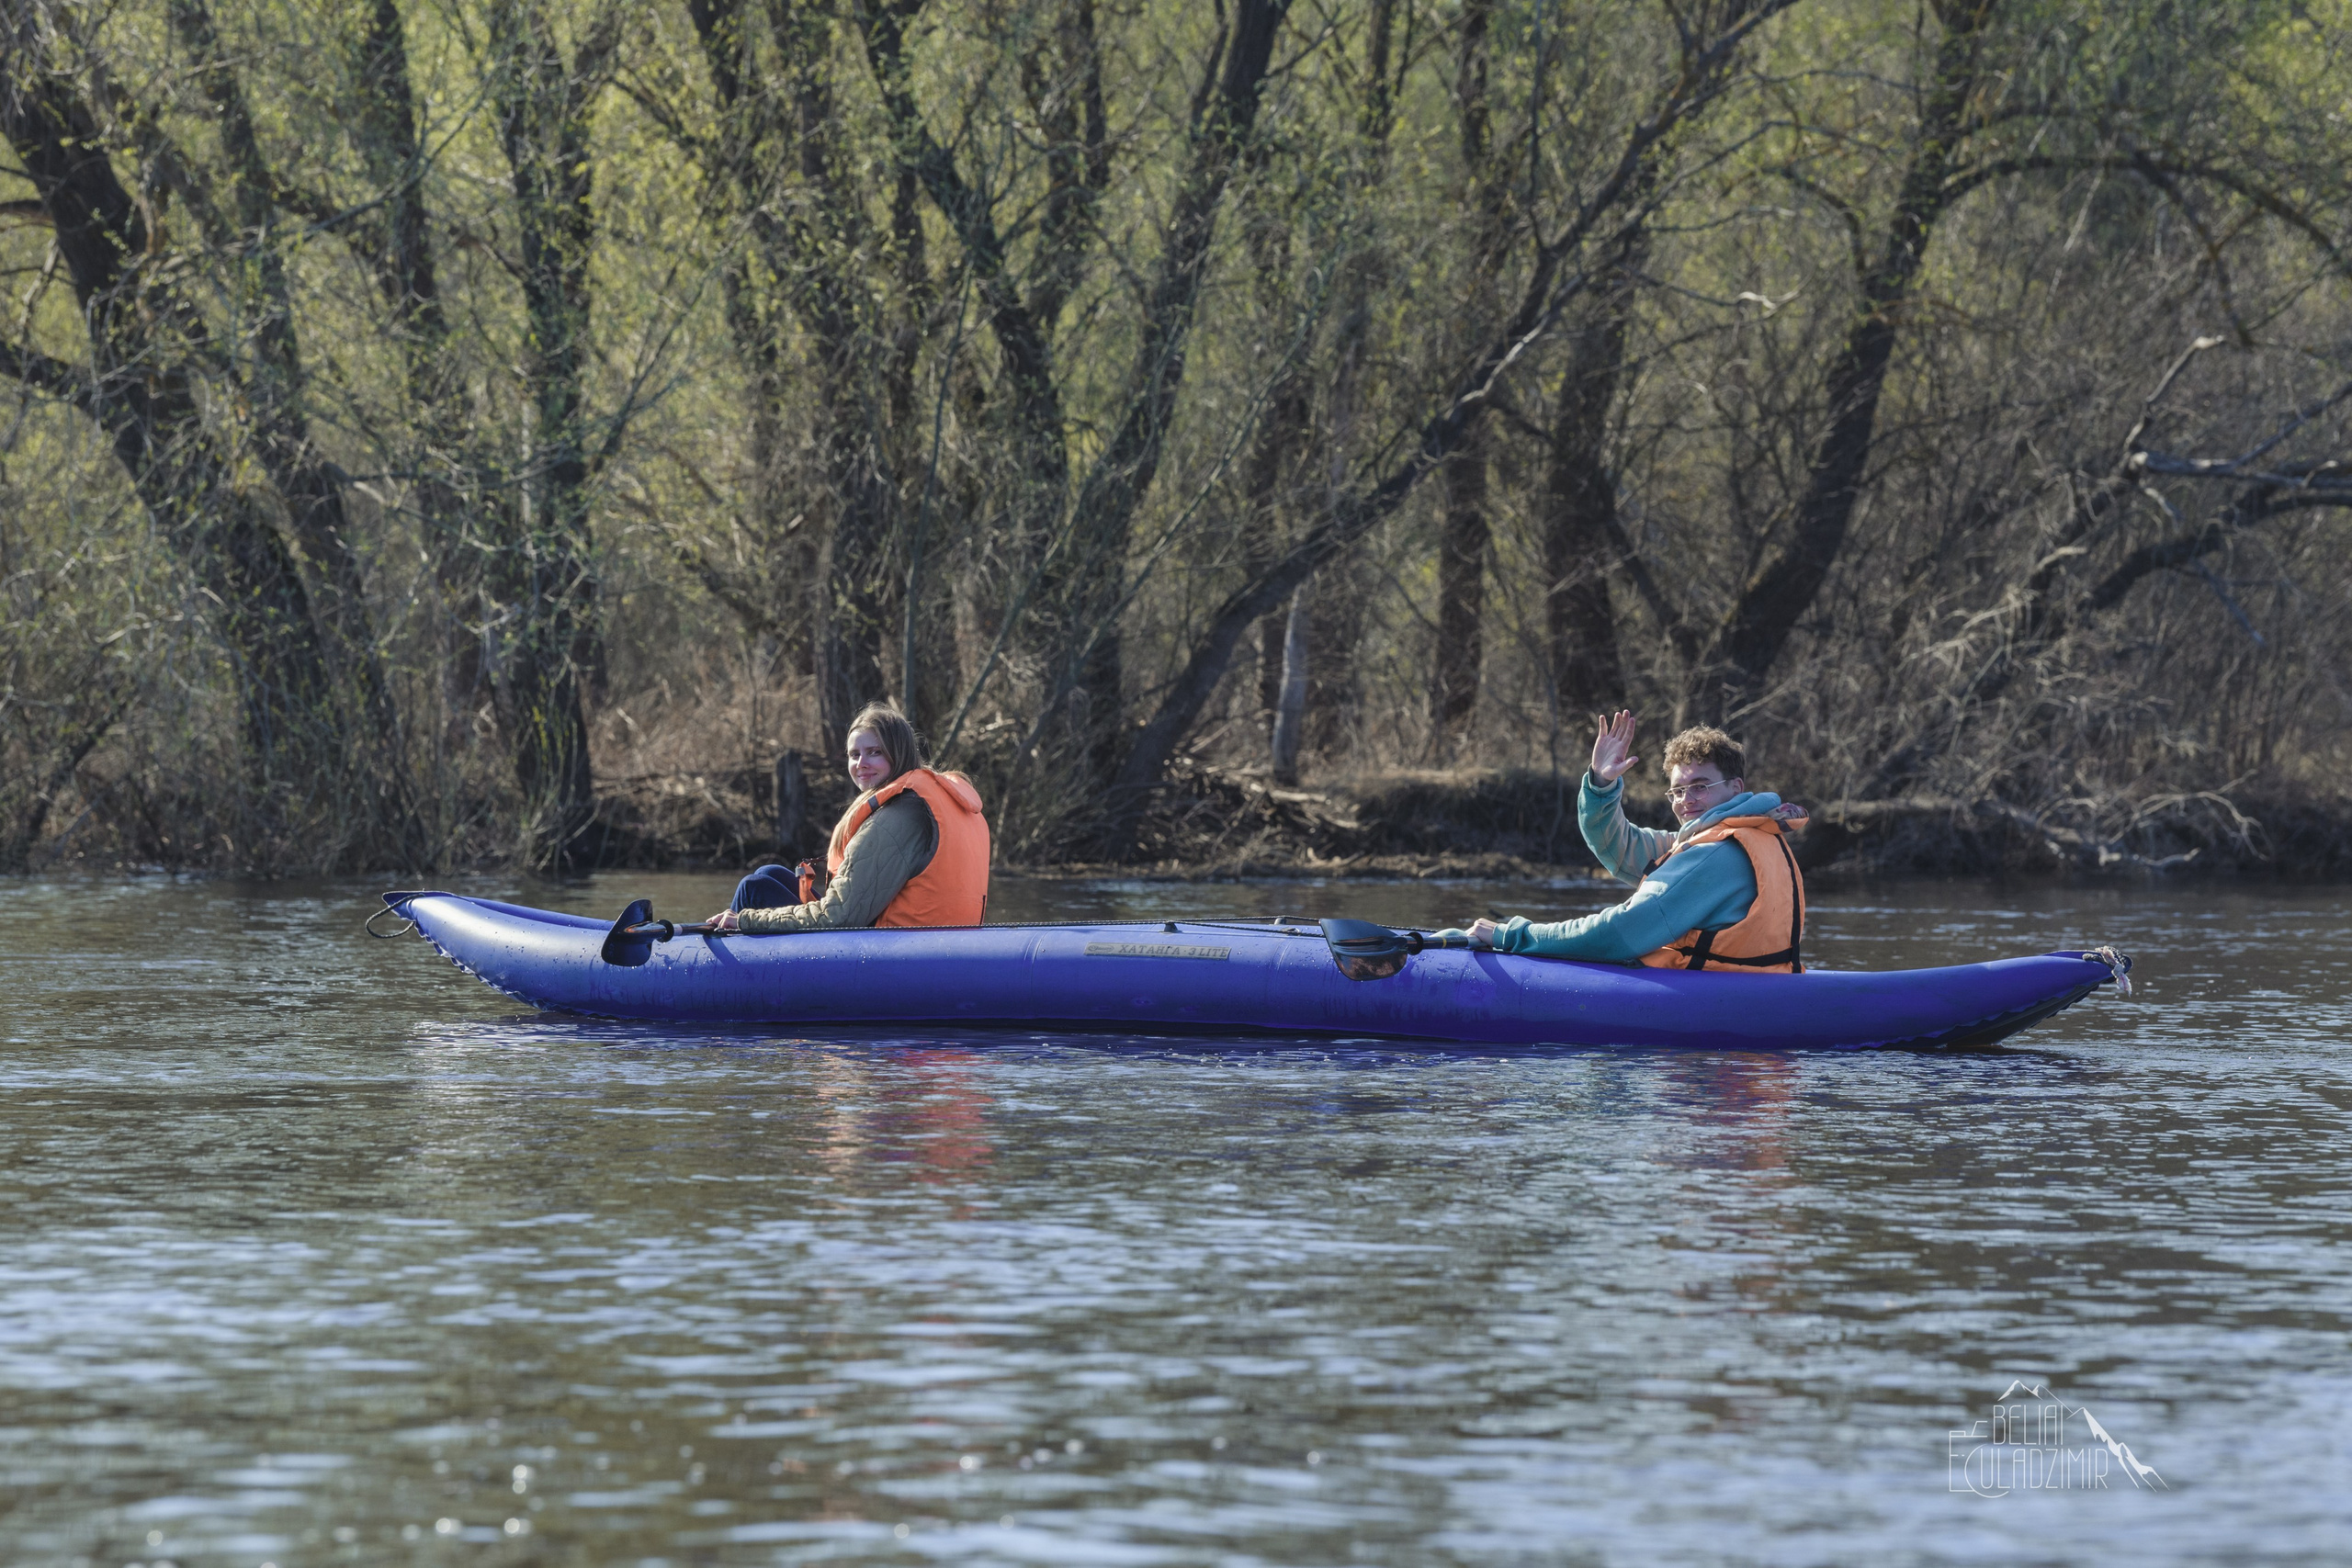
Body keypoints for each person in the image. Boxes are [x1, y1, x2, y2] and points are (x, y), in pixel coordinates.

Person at [1444, 711, 1808, 971]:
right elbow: (1622, 847)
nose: (1686, 800)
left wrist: (1511, 935)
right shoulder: (1745, 837)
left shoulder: (1715, 855)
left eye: (1700, 786)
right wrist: (1601, 786)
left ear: (1735, 788)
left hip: (1717, 1007)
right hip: (1760, 991)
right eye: (1678, 790)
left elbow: (1619, 933)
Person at [705, 702, 990, 932]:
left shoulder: (898, 818)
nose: (861, 765)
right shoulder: (938, 800)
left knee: (754, 890)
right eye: (854, 755)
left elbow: (839, 917)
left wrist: (745, 921)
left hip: (890, 959)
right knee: (770, 874)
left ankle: (725, 987)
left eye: (874, 753)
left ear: (899, 754)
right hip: (941, 948)